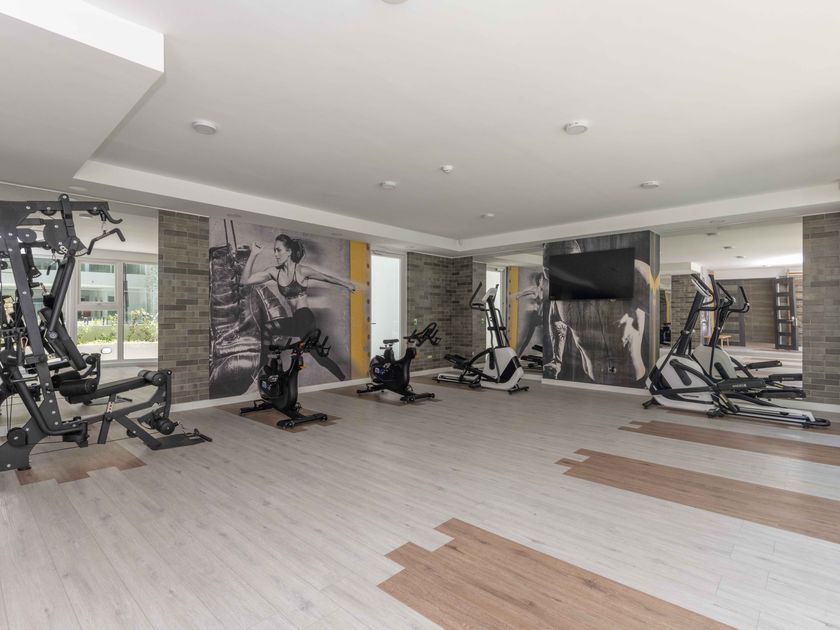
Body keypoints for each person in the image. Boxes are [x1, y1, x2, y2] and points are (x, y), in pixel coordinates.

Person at [240, 234, 356, 381]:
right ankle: (343, 379)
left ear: (289, 252)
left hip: (305, 319)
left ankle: (265, 366)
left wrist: (346, 284)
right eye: (274, 250)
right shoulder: (274, 272)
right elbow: (245, 281)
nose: (275, 254)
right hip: (297, 321)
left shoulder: (301, 271)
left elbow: (326, 277)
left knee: (270, 329)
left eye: (278, 250)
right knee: (320, 358)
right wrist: (253, 254)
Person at [512, 271, 546, 356]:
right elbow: (525, 292)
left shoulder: (545, 291)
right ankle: (517, 355)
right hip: (533, 317)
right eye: (542, 280)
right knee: (526, 339)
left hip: (540, 317)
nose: (544, 282)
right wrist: (519, 296)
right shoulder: (535, 289)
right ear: (539, 280)